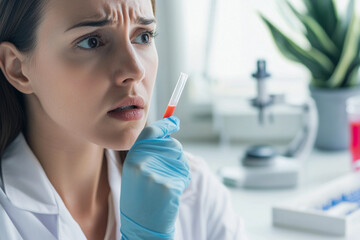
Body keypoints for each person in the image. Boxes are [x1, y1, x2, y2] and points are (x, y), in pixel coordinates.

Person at [0, 0, 247, 239]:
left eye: (143, 36)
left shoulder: (194, 191)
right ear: (17, 69)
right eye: (92, 41)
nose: (135, 69)